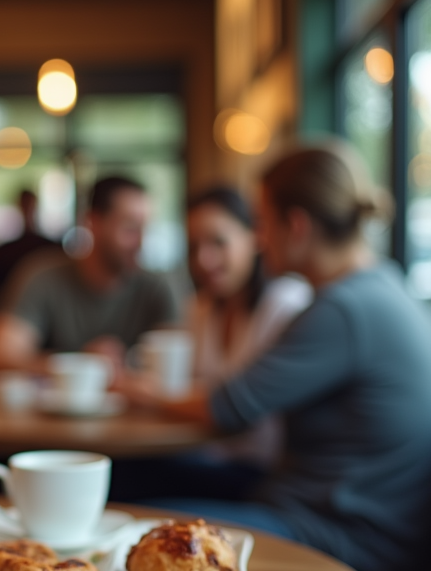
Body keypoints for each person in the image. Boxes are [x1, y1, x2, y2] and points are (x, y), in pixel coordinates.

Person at [119, 144, 431, 571]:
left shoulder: (345, 309)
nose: (258, 239)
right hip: (323, 515)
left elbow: (231, 408)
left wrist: (140, 389)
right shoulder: (377, 287)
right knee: (131, 486)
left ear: (296, 226)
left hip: (348, 545)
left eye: (261, 222)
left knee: (129, 526)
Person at [112, 187, 312, 502]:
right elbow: (191, 390)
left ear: (255, 236)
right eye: (193, 247)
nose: (204, 259)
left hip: (263, 473)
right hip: (211, 458)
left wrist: (152, 395)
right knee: (122, 472)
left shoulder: (287, 305)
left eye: (218, 242)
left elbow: (228, 406)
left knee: (131, 489)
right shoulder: (201, 308)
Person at [0, 176, 176, 377]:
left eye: (145, 228)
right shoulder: (43, 276)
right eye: (130, 228)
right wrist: (79, 364)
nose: (140, 242)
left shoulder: (157, 287)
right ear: (92, 223)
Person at [0, 190, 60, 310]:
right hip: (8, 315)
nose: (27, 209)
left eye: (29, 204)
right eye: (25, 204)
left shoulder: (51, 249)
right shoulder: (4, 251)